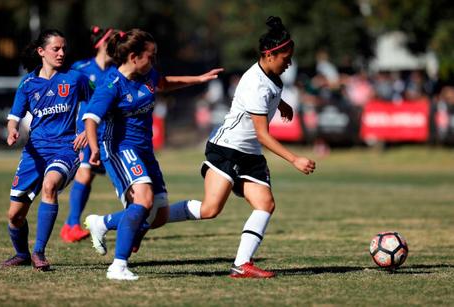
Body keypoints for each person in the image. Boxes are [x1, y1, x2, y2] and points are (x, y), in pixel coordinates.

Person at [165, 16, 315, 278]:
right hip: (227, 149)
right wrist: (294, 159)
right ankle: (151, 218)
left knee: (265, 204)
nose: (289, 63)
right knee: (210, 210)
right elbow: (262, 135)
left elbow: (270, 94)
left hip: (249, 156)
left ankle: (242, 264)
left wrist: (281, 104)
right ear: (269, 55)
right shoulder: (256, 84)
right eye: (285, 58)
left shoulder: (271, 75)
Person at [82, 28, 223, 281]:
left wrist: (199, 79)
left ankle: (102, 223)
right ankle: (118, 266)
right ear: (134, 56)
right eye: (151, 56)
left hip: (144, 150)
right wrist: (93, 147)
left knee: (159, 215)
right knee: (143, 200)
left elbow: (164, 83)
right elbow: (91, 119)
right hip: (119, 148)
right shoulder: (111, 84)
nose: (154, 60)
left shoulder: (147, 75)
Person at [0, 29, 90, 271]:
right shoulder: (28, 83)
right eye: (56, 49)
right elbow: (14, 116)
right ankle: (22, 254)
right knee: (14, 216)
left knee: (50, 186)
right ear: (41, 52)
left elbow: (96, 105)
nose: (61, 53)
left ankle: (39, 252)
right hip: (34, 152)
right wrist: (12, 130)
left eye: (63, 48)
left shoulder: (75, 78)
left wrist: (86, 130)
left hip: (66, 149)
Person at [60, 26, 116, 243]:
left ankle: (70, 224)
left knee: (95, 177)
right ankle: (72, 225)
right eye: (112, 41)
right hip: (87, 132)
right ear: (101, 43)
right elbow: (67, 99)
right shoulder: (81, 69)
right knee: (84, 174)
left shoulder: (117, 70)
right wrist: (77, 129)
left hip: (110, 134)